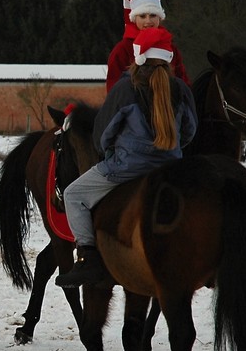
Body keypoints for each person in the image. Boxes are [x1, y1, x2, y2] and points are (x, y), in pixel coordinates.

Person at [55, 27, 197, 288]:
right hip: (171, 167)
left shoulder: (125, 88)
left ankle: (88, 257)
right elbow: (189, 131)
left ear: (138, 56)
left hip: (126, 168)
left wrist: (109, 152)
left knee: (73, 195)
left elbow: (102, 134)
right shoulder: (182, 90)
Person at [106, 0, 190, 93]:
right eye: (142, 16)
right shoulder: (122, 50)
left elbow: (183, 82)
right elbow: (114, 89)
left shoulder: (171, 49)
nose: (148, 21)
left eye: (153, 15)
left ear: (160, 18)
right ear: (134, 19)